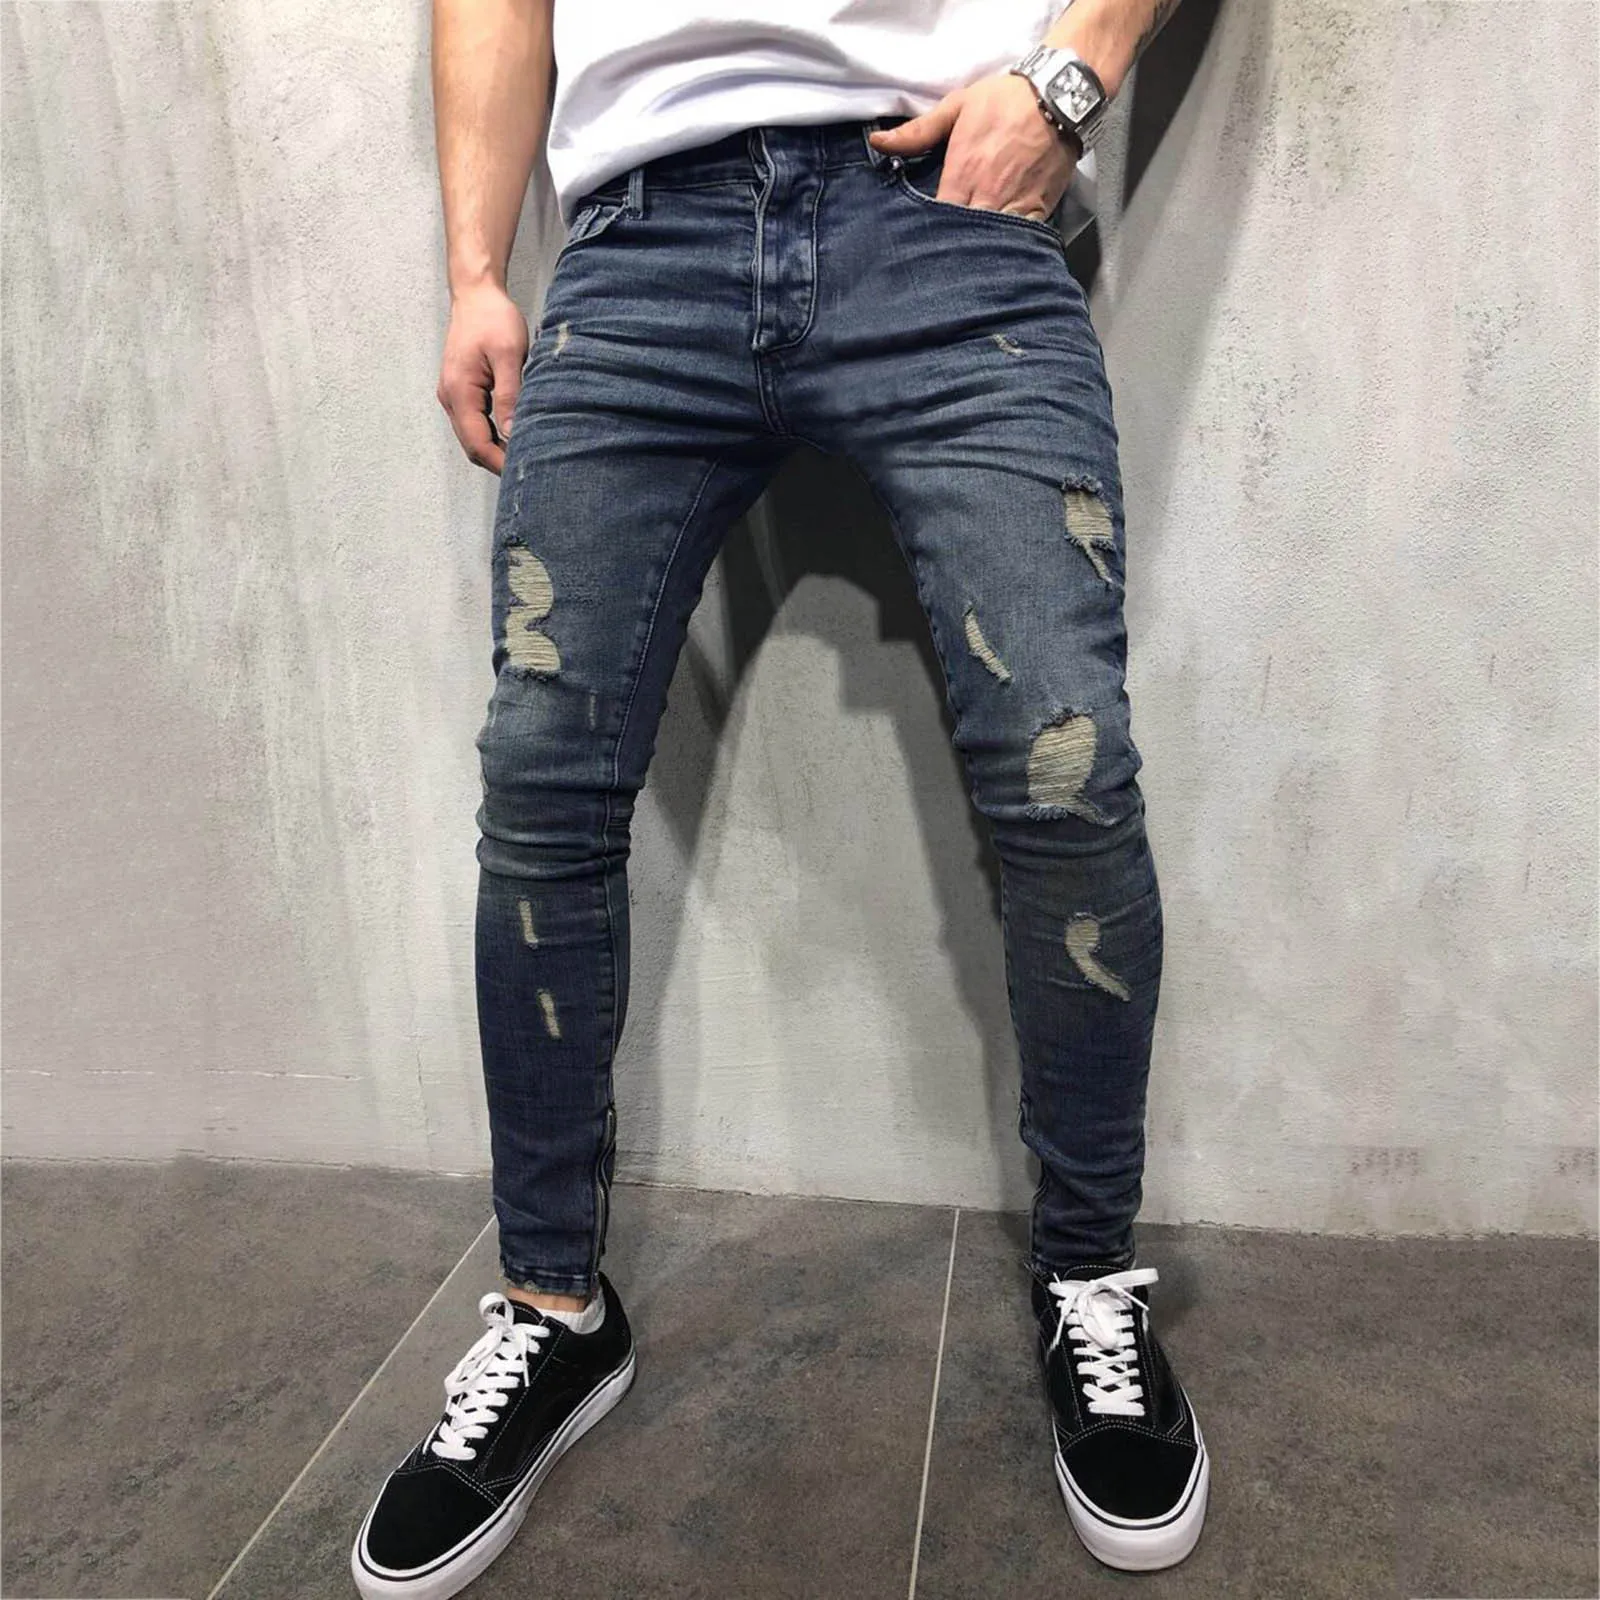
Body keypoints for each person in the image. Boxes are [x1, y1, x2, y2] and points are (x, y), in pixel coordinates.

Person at [351, 1, 1206, 1593]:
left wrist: (1065, 86)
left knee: (1066, 767)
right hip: (637, 243)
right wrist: (475, 267)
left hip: (947, 221)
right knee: (541, 781)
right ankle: (553, 1310)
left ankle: (1089, 1277)